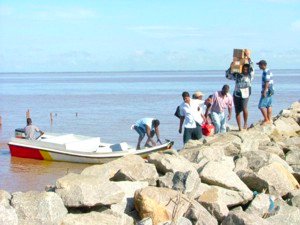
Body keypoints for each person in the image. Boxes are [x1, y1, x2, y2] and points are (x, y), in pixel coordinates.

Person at [226, 56, 254, 131]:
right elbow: (228, 76)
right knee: (237, 111)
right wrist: (231, 67)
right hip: (237, 94)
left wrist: (248, 58)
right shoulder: (237, 75)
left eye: (246, 69)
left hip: (245, 93)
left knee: (244, 108)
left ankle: (245, 123)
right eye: (244, 69)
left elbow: (252, 67)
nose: (245, 70)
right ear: (241, 69)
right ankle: (239, 127)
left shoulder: (250, 75)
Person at [257, 60, 274, 125]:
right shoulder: (269, 70)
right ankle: (269, 119)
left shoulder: (265, 72)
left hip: (267, 90)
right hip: (271, 90)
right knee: (268, 105)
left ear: (263, 65)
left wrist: (264, 91)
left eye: (259, 65)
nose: (259, 66)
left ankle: (266, 119)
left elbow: (267, 82)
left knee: (261, 106)